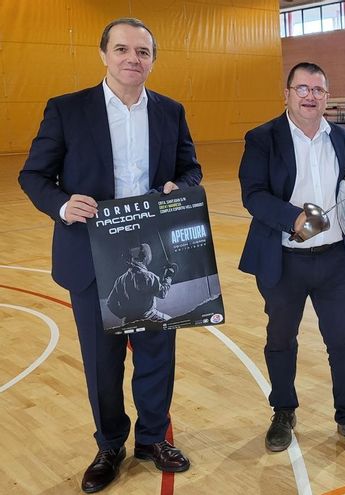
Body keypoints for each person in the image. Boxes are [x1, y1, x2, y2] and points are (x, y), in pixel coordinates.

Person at [19, 18, 201, 493]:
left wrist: (179, 186)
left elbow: (191, 168)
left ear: (152, 60)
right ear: (103, 55)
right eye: (122, 49)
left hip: (146, 247)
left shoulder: (170, 111)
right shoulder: (67, 110)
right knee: (103, 361)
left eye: (142, 52)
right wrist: (61, 204)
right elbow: (33, 176)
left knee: (157, 354)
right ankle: (108, 444)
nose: (132, 59)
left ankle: (151, 439)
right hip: (90, 255)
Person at [238, 62, 345, 457]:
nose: (310, 96)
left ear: (327, 96)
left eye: (318, 90)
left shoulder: (341, 137)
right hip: (284, 261)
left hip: (336, 261)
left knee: (344, 342)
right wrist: (294, 218)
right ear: (287, 94)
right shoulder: (262, 138)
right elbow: (253, 195)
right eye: (302, 88)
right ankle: (283, 411)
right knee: (280, 340)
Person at [107, 243, 177, 324]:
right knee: (173, 323)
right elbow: (162, 294)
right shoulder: (149, 276)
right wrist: (168, 277)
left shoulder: (120, 280)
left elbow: (110, 303)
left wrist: (122, 314)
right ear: (145, 257)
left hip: (127, 321)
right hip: (148, 317)